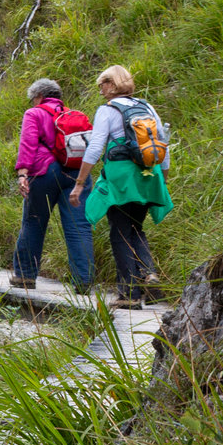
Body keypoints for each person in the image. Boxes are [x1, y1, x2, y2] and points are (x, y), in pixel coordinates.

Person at [69, 64, 172, 308]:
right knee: (135, 227)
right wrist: (163, 180)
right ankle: (148, 273)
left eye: (102, 84)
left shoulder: (108, 110)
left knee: (119, 232)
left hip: (121, 177)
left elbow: (95, 148)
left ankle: (129, 296)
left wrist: (80, 183)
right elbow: (163, 145)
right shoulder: (146, 106)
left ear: (113, 84)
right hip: (149, 175)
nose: (100, 89)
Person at [9, 78, 93, 292]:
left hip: (45, 172)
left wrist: (22, 173)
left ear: (38, 97)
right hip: (76, 172)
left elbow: (28, 143)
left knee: (34, 221)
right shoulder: (75, 115)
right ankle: (83, 280)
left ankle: (25, 276)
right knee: (79, 226)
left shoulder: (34, 113)